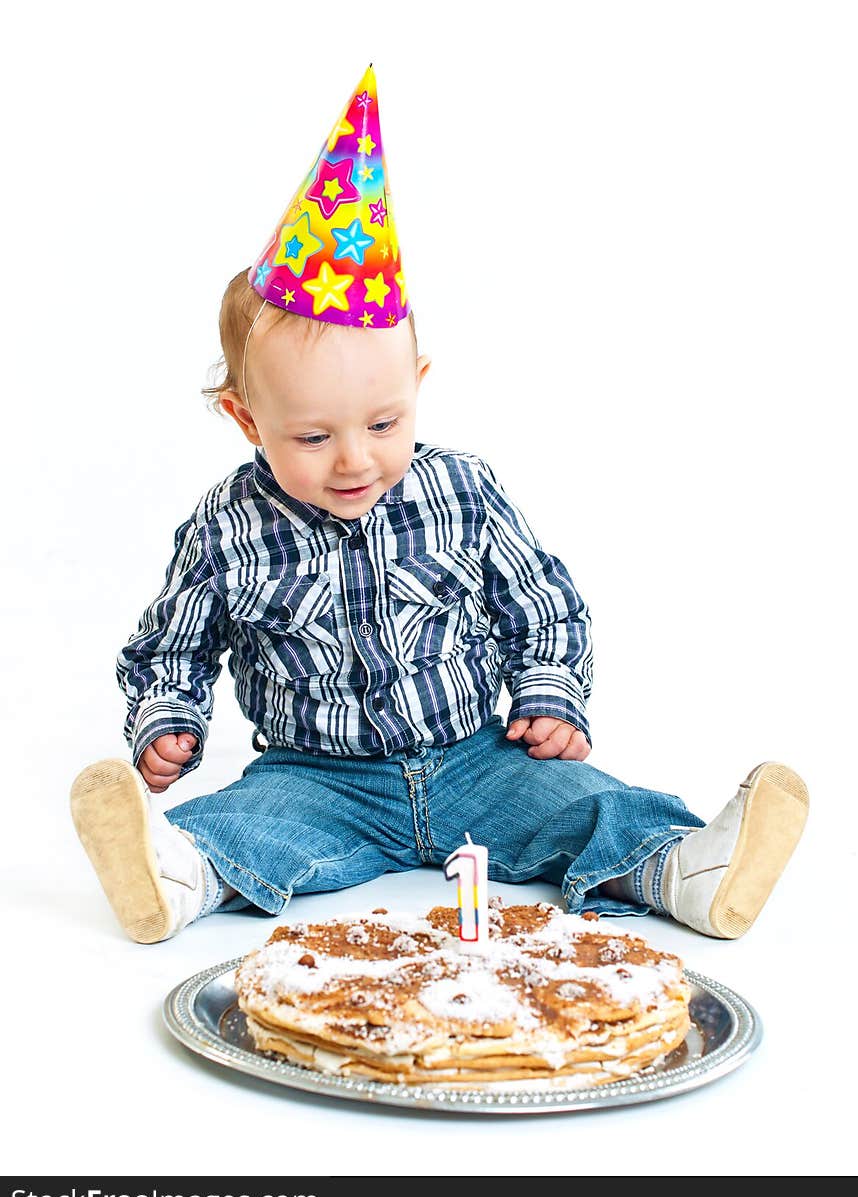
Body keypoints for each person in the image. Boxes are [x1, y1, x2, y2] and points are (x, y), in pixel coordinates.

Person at [69, 67, 809, 945]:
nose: (354, 459)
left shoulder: (461, 488)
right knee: (248, 823)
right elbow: (171, 645)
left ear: (417, 389)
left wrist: (549, 696)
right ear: (245, 417)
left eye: (384, 422)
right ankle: (172, 874)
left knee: (582, 802)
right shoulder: (228, 526)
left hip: (478, 761)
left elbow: (541, 602)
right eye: (311, 437)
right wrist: (169, 722)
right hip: (317, 776)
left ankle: (688, 869)